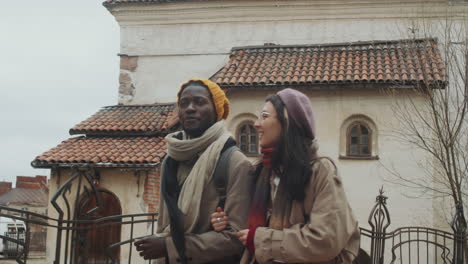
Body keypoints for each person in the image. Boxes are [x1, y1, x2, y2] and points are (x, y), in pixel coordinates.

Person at [211, 88, 360, 264]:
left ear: (287, 123)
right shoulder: (262, 171)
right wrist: (224, 223)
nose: (256, 124)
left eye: (265, 117)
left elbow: (325, 240)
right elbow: (248, 229)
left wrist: (261, 239)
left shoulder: (320, 170)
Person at [135, 79, 254, 264]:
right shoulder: (171, 159)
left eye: (200, 102)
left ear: (216, 110)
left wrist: (169, 246)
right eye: (184, 103)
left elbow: (236, 237)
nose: (190, 108)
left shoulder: (234, 162)